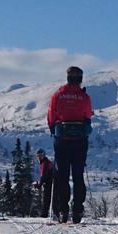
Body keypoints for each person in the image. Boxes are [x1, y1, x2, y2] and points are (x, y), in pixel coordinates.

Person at [47, 66, 93, 223]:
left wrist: (53, 129)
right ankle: (78, 210)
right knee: (78, 175)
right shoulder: (84, 97)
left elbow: (51, 115)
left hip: (62, 140)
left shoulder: (58, 95)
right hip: (79, 140)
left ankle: (63, 210)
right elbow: (87, 115)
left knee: (62, 175)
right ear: (80, 79)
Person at [36, 149, 56, 220]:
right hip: (50, 182)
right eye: (38, 156)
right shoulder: (46, 162)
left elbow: (43, 175)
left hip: (50, 182)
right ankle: (51, 213)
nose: (39, 157)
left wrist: (39, 184)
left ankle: (45, 213)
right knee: (50, 198)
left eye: (40, 156)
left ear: (44, 155)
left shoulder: (45, 163)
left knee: (47, 198)